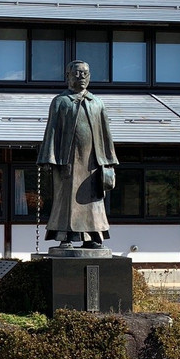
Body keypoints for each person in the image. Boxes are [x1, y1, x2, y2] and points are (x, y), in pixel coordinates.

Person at [37, 60, 118, 248]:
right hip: (67, 161)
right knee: (66, 200)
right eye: (77, 73)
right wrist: (48, 158)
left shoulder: (97, 103)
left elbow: (106, 135)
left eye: (85, 73)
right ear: (68, 76)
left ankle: (93, 237)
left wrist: (109, 163)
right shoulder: (61, 101)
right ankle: (66, 237)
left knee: (93, 201)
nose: (81, 77)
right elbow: (51, 131)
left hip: (93, 162)